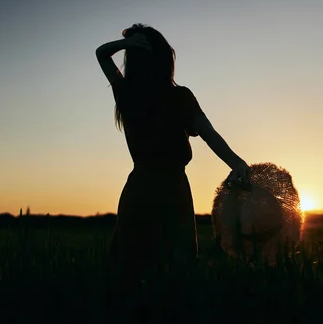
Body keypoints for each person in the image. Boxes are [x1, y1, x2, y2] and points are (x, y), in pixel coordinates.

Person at [96, 23, 250, 286]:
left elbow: (102, 53)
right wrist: (236, 162)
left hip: (143, 187)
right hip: (169, 188)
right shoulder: (159, 95)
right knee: (173, 271)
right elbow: (208, 133)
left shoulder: (132, 94)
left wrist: (127, 45)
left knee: (133, 271)